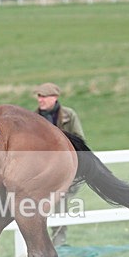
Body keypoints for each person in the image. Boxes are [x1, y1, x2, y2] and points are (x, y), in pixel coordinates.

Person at [33, 82, 84, 246]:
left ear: (54, 98)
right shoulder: (32, 118)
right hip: (41, 171)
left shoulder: (69, 115)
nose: (40, 100)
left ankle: (59, 242)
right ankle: (40, 243)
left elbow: (79, 140)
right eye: (39, 96)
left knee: (60, 203)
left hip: (63, 169)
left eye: (44, 96)